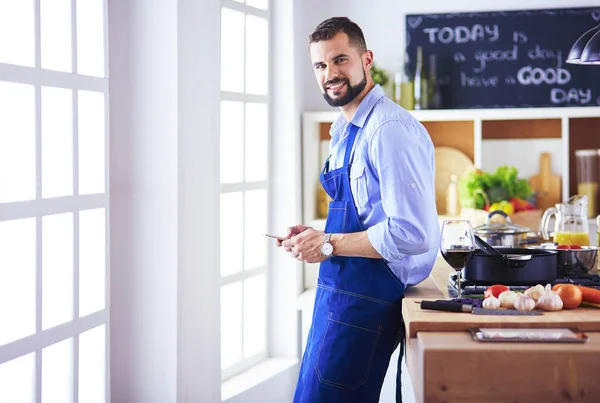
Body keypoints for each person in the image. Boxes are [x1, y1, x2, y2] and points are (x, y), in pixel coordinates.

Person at [279, 17, 439, 403]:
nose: (330, 74)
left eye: (340, 60)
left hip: (366, 303)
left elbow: (412, 233)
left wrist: (329, 243)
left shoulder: (388, 130)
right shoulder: (344, 130)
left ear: (366, 59)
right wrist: (314, 237)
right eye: (320, 65)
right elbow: (365, 216)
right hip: (336, 296)